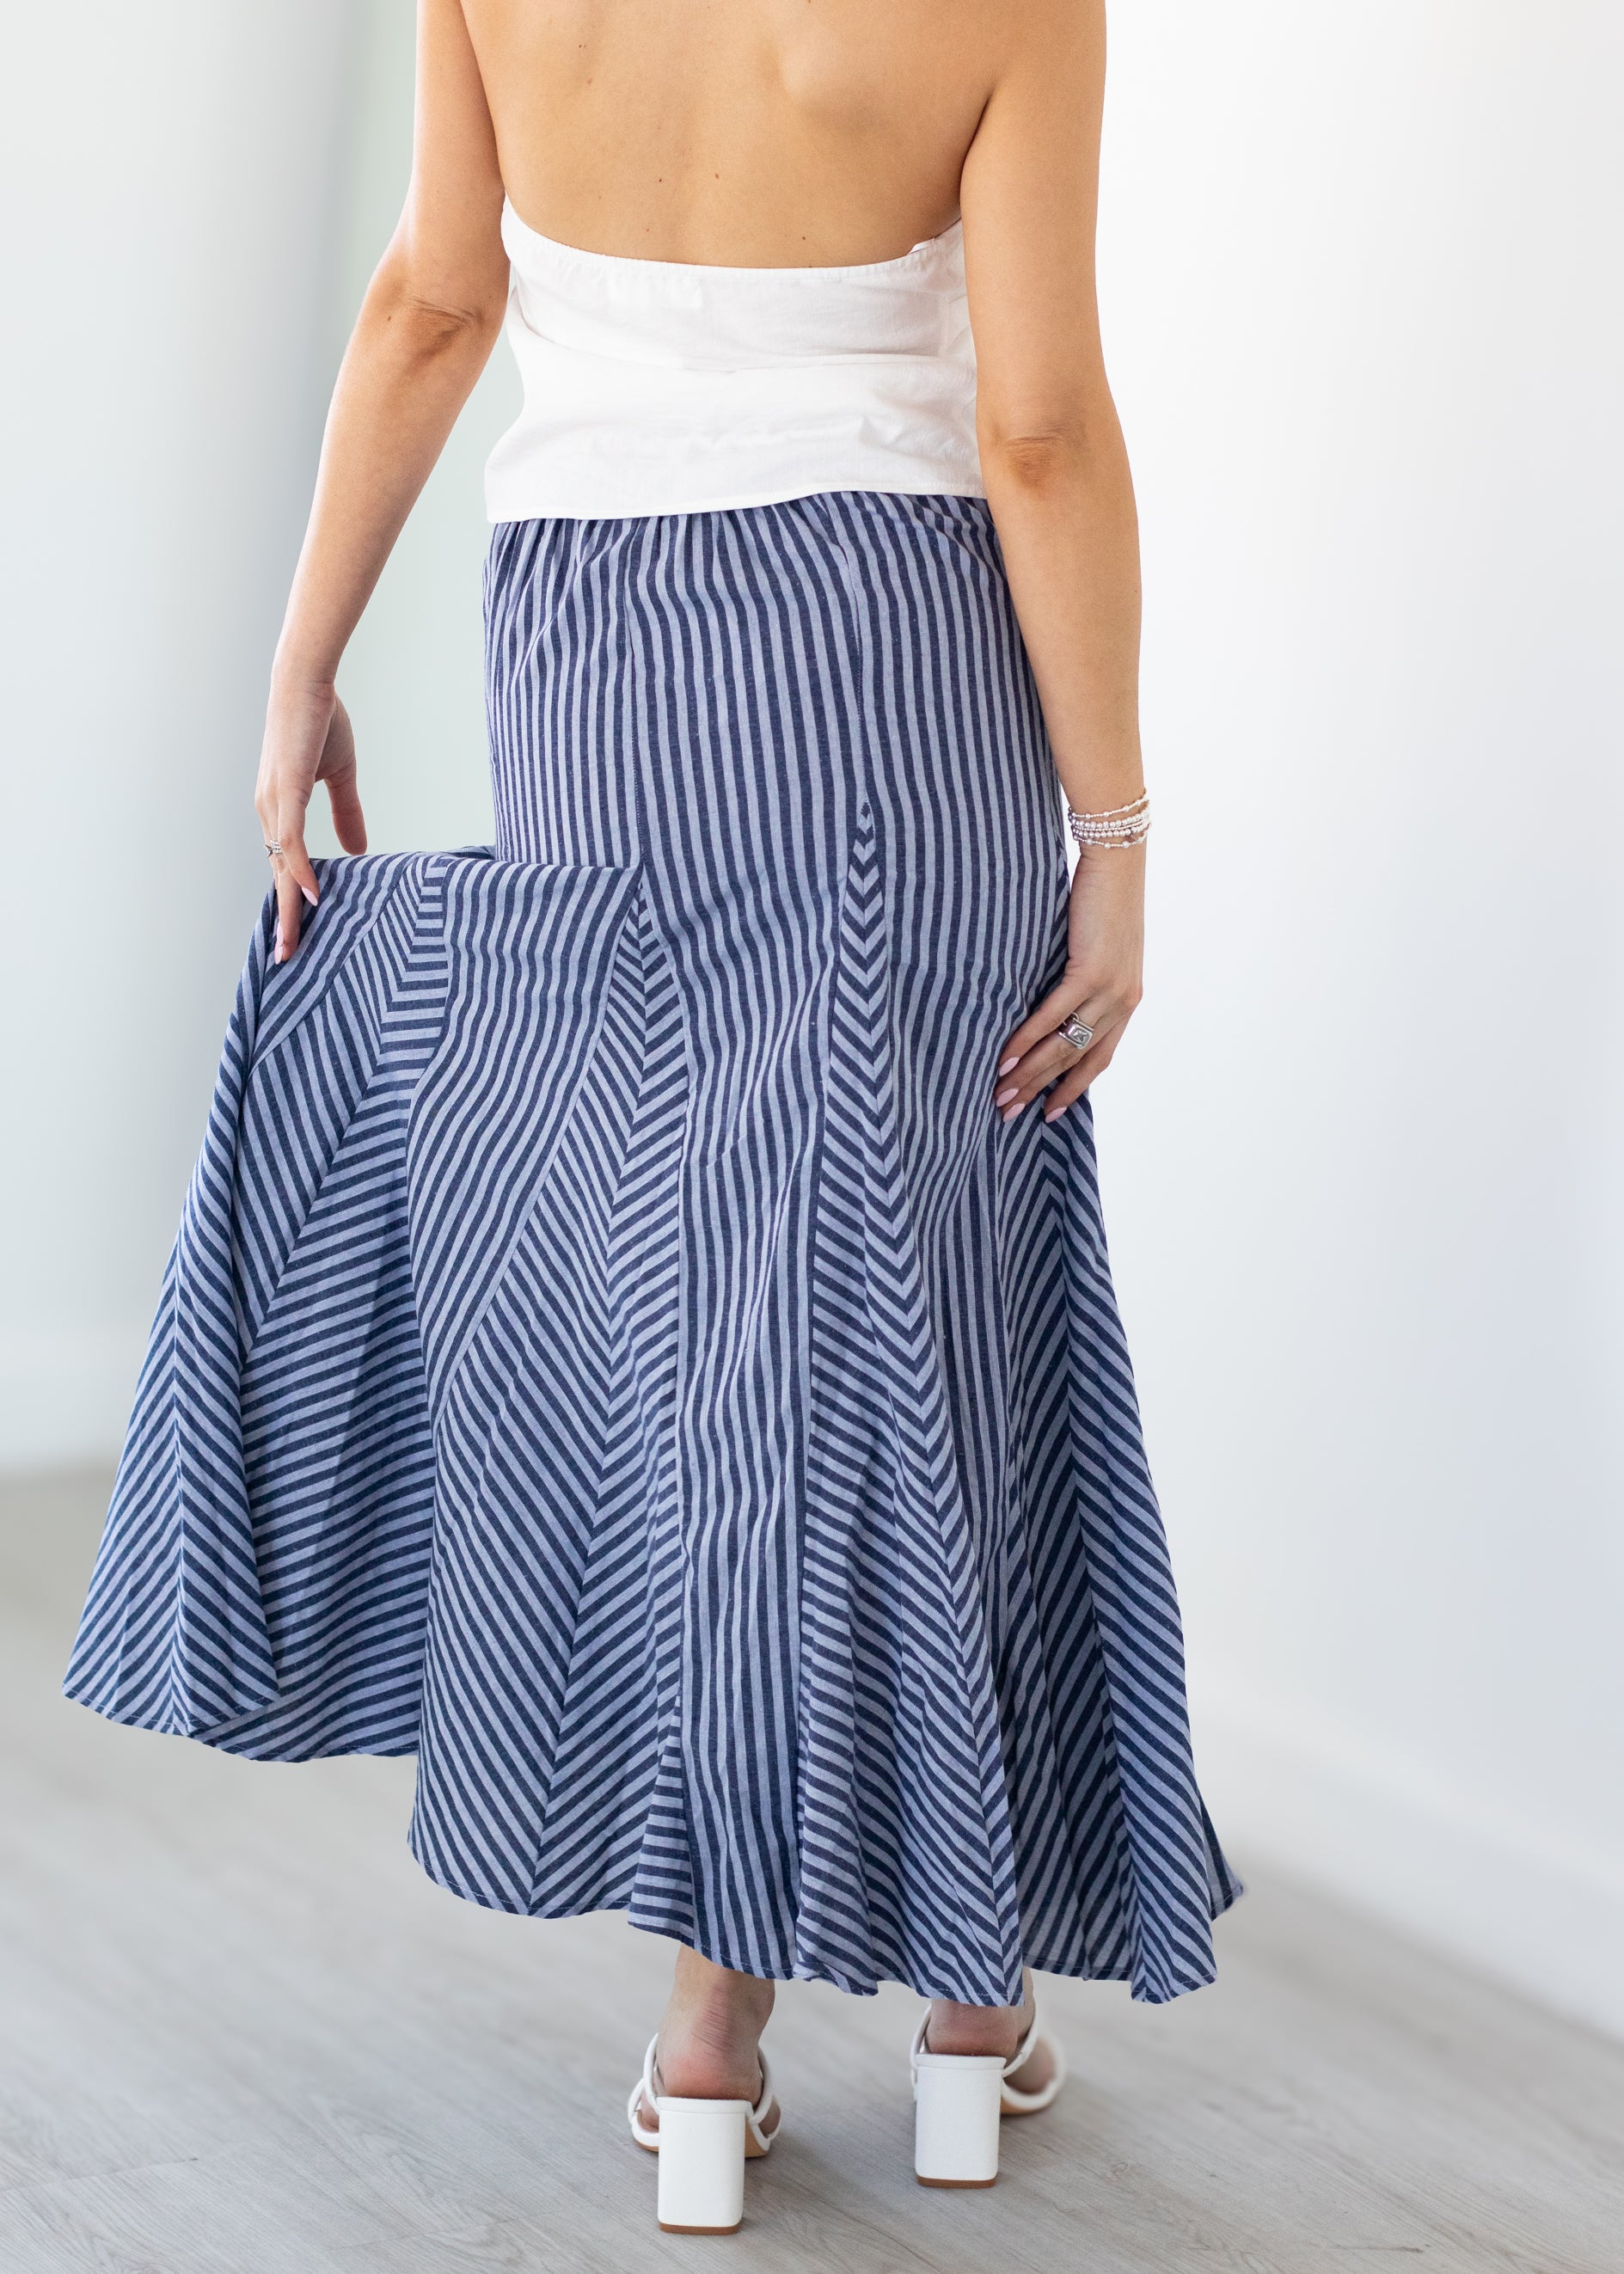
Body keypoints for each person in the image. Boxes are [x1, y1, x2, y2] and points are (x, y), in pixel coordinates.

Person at [66, 0, 1239, 2234]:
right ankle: (957, 2004)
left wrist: (302, 662)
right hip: (893, 660)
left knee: (710, 1320)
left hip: (595, 651)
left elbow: (433, 300)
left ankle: (714, 2043)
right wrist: (1117, 826)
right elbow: (1037, 426)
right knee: (918, 1286)